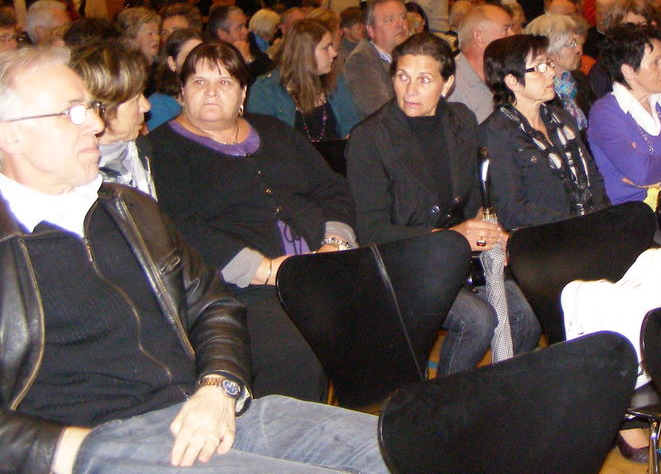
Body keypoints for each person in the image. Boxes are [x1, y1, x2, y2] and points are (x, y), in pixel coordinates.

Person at [0, 47, 386, 474]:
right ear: (10, 134)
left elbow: (212, 304)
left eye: (90, 108)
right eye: (72, 113)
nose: (95, 123)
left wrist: (218, 385)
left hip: (199, 406)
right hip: (99, 438)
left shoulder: (126, 207)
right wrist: (77, 450)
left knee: (398, 446)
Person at [148, 41, 358, 402]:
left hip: (321, 264)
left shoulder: (273, 130)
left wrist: (335, 244)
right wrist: (265, 269)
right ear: (181, 91)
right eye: (199, 82)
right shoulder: (163, 149)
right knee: (297, 352)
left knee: (385, 321)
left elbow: (332, 188)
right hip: (242, 286)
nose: (212, 92)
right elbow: (181, 226)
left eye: (225, 82)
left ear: (243, 92)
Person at [347, 33, 541, 376]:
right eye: (402, 77)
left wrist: (489, 226)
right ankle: (446, 400)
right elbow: (372, 230)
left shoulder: (461, 119)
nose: (410, 90)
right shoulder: (370, 137)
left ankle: (495, 392)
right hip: (403, 261)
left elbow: (477, 196)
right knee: (476, 321)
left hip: (460, 258)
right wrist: (453, 238)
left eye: (424, 80)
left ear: (447, 84)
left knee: (526, 314)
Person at [480, 34, 607, 229]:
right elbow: (512, 210)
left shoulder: (561, 119)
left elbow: (594, 178)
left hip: (589, 227)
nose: (551, 73)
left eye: (549, 64)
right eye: (539, 67)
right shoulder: (497, 132)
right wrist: (577, 223)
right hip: (546, 236)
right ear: (512, 81)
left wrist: (602, 218)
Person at [587, 24, 661, 206]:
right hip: (636, 212)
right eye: (656, 62)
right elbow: (642, 172)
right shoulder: (605, 114)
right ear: (628, 70)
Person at [248, 19, 359, 172]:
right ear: (305, 53)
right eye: (326, 47)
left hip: (336, 170)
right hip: (291, 173)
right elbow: (264, 148)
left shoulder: (337, 83)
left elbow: (352, 129)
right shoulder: (266, 91)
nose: (334, 53)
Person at [69, 41, 155, 197]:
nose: (146, 106)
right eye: (135, 100)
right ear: (102, 109)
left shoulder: (142, 149)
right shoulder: (74, 181)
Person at [343, 0, 409, 119]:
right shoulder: (360, 61)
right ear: (371, 30)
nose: (400, 24)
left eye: (403, 17)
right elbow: (381, 113)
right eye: (389, 20)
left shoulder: (411, 55)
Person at [525, 12, 594, 129]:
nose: (579, 50)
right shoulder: (540, 93)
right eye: (571, 44)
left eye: (577, 42)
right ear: (550, 52)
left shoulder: (578, 79)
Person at [447, 3, 513, 122]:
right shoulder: (451, 86)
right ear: (479, 37)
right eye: (506, 29)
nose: (513, 35)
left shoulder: (505, 75)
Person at [147, 27, 203, 129]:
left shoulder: (211, 97)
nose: (198, 62)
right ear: (172, 62)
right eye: (189, 56)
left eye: (202, 56)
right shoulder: (158, 104)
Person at [208, 4, 274, 84]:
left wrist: (250, 60)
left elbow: (271, 70)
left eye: (245, 25)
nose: (246, 31)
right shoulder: (213, 59)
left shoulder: (249, 42)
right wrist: (248, 60)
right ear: (222, 34)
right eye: (239, 27)